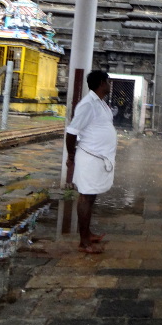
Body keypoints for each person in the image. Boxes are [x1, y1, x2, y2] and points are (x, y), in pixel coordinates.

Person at [65, 71, 116, 254]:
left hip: (98, 158)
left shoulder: (100, 103)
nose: (110, 84)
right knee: (85, 197)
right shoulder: (87, 104)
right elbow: (71, 132)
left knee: (91, 195)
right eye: (108, 81)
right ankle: (83, 241)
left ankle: (88, 232)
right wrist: (71, 156)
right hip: (89, 158)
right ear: (102, 83)